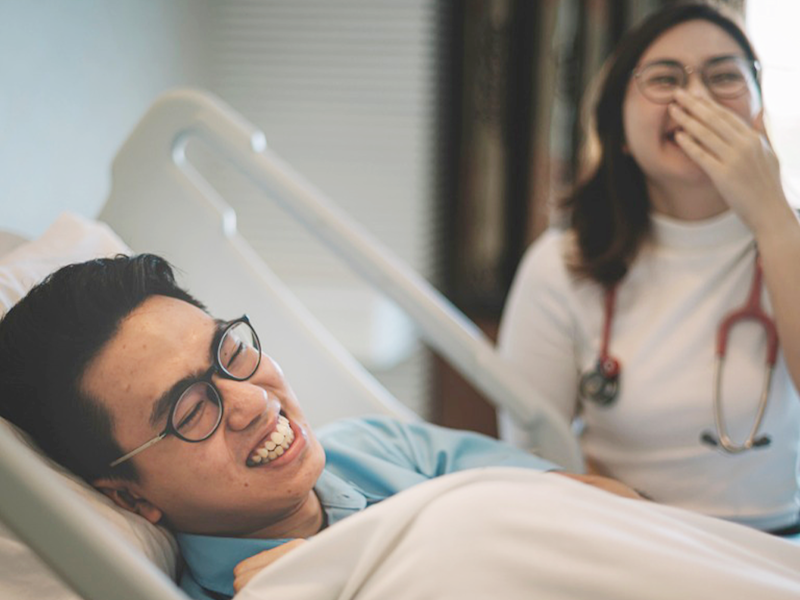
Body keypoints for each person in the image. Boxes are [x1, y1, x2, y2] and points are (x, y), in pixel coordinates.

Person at [0, 253, 643, 600]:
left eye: (231, 350)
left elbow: (620, 514)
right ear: (131, 496)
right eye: (191, 410)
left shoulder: (379, 446)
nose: (250, 400)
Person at [497, 1, 800, 536]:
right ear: (617, 129)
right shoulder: (561, 265)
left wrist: (774, 221)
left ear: (758, 115)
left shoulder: (788, 238)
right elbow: (528, 460)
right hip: (629, 543)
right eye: (665, 79)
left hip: (779, 547)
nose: (696, 98)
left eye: (724, 76)